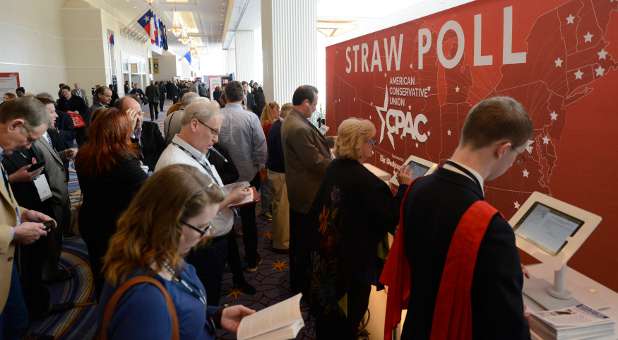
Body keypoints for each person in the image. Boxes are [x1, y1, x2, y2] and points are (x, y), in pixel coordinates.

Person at [382, 96, 533, 340]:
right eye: (519, 155)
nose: (514, 162)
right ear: (503, 149)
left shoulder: (416, 189)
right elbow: (507, 328)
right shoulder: (491, 228)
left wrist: (499, 262)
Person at [97, 164, 255, 339]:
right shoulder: (145, 300)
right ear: (170, 224)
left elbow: (178, 307)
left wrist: (215, 316)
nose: (207, 234)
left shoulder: (159, 250)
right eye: (202, 227)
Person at [309, 118, 411, 339]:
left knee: (329, 319)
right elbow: (391, 217)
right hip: (351, 268)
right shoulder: (367, 182)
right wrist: (403, 187)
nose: (373, 145)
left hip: (326, 261)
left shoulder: (334, 167)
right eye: (371, 140)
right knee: (349, 317)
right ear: (359, 143)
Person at [156, 100, 254, 304]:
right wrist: (229, 199)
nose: (216, 139)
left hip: (212, 239)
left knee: (211, 296)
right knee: (204, 300)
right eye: (214, 132)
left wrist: (226, 194)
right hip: (199, 246)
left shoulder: (193, 151)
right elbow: (187, 217)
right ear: (194, 124)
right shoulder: (175, 162)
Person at [75, 107, 147, 298]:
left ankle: (104, 311)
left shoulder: (84, 154)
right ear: (120, 132)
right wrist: (130, 135)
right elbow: (148, 190)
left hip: (91, 221)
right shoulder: (124, 163)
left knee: (101, 275)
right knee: (121, 281)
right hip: (117, 229)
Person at [0, 97, 54, 339]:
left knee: (16, 321)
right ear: (15, 125)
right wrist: (13, 233)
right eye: (30, 139)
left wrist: (24, 213)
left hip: (6, 263)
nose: (28, 147)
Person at [281, 85, 331, 294]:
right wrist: (340, 163)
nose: (315, 109)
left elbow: (313, 143)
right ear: (305, 103)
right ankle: (302, 285)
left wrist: (331, 141)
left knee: (300, 241)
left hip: (301, 191)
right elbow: (315, 162)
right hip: (308, 195)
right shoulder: (298, 127)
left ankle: (300, 281)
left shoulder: (294, 120)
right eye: (315, 104)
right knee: (305, 243)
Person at [218, 81, 268, 272]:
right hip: (248, 174)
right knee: (249, 220)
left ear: (224, 97)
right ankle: (252, 260)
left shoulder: (216, 116)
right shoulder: (251, 117)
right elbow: (260, 147)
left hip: (223, 176)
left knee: (224, 216)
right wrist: (261, 167)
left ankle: (230, 262)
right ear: (243, 97)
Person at [267, 103, 292, 253]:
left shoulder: (276, 125)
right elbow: (284, 156)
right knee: (282, 211)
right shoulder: (282, 128)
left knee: (278, 208)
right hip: (281, 173)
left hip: (275, 171)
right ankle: (282, 243)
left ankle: (277, 237)